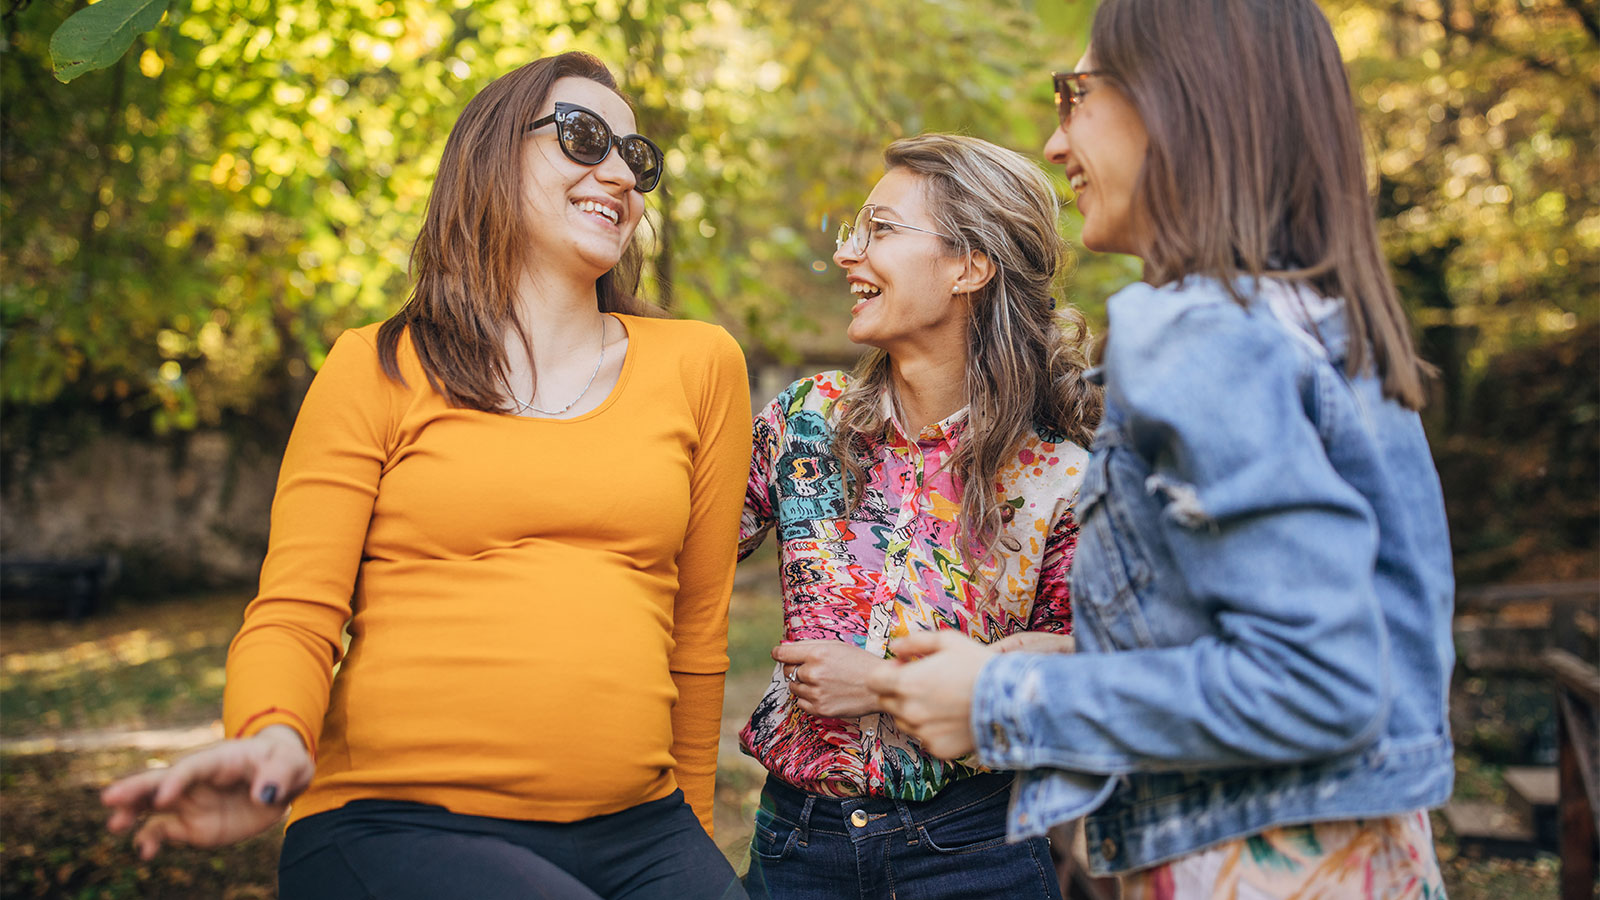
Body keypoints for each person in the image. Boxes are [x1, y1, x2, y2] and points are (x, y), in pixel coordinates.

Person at [100, 51, 752, 900]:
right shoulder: (373, 367)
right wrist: (272, 734)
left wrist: (692, 844)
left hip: (640, 831)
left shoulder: (700, 365)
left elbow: (697, 635)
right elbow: (298, 610)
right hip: (393, 825)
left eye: (639, 157)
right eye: (586, 137)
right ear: (490, 156)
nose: (620, 173)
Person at [869, 2, 1456, 897]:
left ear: (1179, 101)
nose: (1057, 144)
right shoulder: (1322, 328)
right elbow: (1315, 639)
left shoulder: (1203, 335)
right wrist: (1065, 660)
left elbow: (1320, 683)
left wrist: (998, 703)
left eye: (1074, 97)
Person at [737, 133, 1102, 900]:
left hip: (975, 852)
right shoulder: (805, 422)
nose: (847, 254)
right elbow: (663, 548)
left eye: (881, 229)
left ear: (968, 266)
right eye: (853, 230)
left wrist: (882, 684)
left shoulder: (1062, 474)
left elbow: (1096, 672)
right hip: (796, 844)